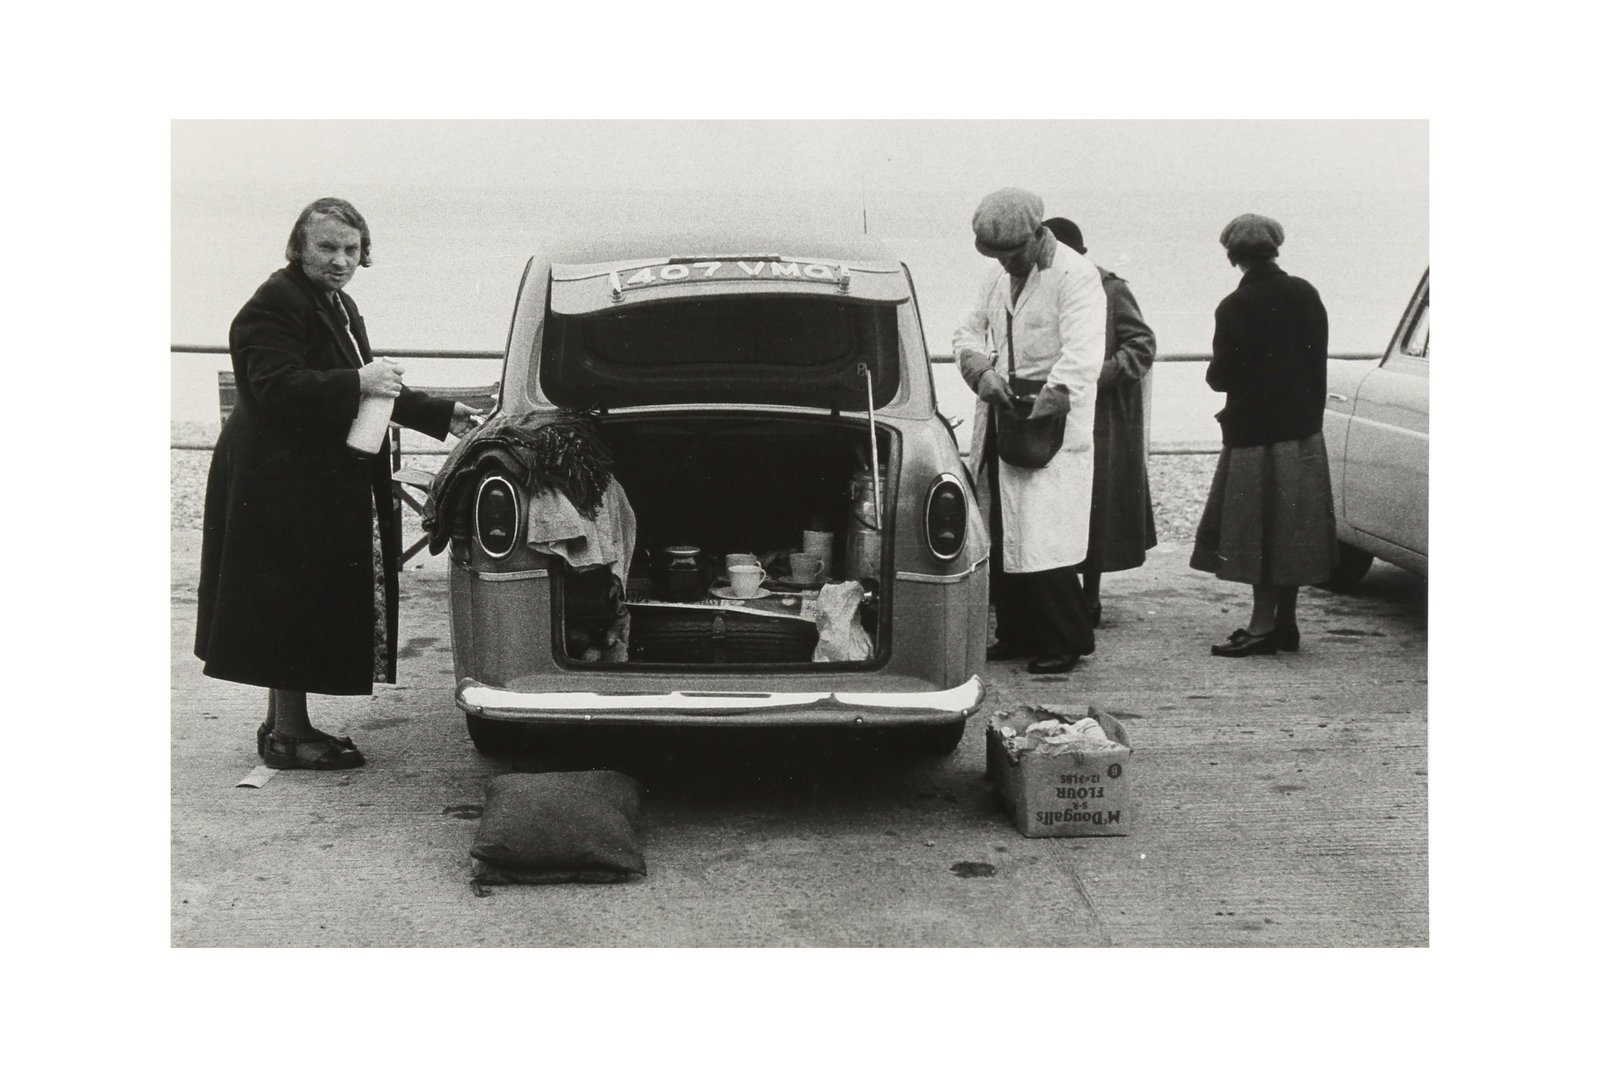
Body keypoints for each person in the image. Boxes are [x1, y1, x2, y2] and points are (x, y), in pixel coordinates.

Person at [195, 198, 480, 768]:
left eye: (351, 248)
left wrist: (441, 414)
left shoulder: (338, 304)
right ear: (298, 247)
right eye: (326, 246)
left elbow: (371, 386)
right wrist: (357, 377)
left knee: (291, 601)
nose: (340, 259)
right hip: (275, 480)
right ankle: (290, 737)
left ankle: (283, 727)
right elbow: (275, 387)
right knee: (288, 601)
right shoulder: (273, 303)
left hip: (305, 477)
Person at [953, 188, 1106, 674]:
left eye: (1013, 255)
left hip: (1051, 421)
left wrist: (1040, 403)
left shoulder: (1076, 276)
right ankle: (1016, 633)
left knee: (1046, 534)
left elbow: (1082, 357)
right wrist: (982, 373)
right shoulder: (996, 276)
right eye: (997, 257)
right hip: (1003, 411)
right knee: (1004, 529)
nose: (1006, 265)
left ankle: (1067, 639)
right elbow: (967, 332)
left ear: (1038, 234)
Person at [1190, 213, 1339, 656]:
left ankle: (1260, 626)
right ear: (1276, 249)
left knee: (1257, 533)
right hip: (1303, 433)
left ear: (1233, 257)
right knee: (1290, 530)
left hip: (1254, 436)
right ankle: (1286, 623)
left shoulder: (1235, 306)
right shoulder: (1306, 294)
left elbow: (1222, 376)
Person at [1042, 218, 1158, 625]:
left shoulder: (1111, 289)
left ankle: (1089, 597)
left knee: (1093, 506)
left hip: (1101, 418)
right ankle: (1060, 595)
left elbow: (1141, 346)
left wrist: (1094, 375)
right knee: (1050, 506)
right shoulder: (1040, 288)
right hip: (1051, 414)